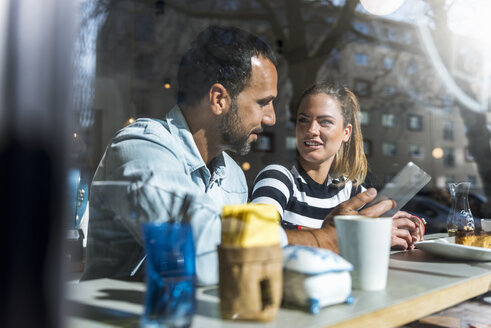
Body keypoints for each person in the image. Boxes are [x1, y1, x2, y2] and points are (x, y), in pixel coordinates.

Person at [82, 26, 395, 286]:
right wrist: (321, 239)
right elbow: (201, 253)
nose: (271, 118)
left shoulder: (231, 174)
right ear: (219, 99)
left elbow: (245, 261)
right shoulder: (140, 146)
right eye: (263, 102)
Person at [251, 82, 424, 250]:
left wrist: (413, 224)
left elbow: (381, 222)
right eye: (303, 120)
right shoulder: (278, 177)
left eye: (325, 121)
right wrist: (353, 236)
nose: (311, 129)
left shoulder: (348, 189)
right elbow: (258, 235)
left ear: (346, 133)